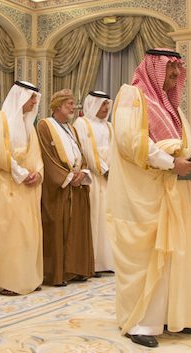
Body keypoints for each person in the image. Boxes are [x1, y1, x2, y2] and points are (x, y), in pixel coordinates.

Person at [107, 48, 191, 348]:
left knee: (174, 255)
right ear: (154, 68)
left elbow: (179, 145)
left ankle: (172, 316)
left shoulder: (172, 107)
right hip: (145, 196)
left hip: (174, 192)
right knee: (147, 257)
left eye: (178, 69)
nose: (175, 74)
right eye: (170, 68)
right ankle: (142, 323)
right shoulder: (132, 96)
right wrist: (171, 162)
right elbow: (132, 142)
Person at [0, 81, 43, 296]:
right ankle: (9, 281)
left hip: (27, 187)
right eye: (32, 98)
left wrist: (37, 173)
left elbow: (36, 154)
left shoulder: (29, 125)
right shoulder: (0, 119)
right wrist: (21, 173)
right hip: (6, 185)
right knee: (8, 234)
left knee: (28, 234)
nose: (34, 103)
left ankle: (28, 277)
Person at [37, 89, 95, 287]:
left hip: (76, 185)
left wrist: (83, 173)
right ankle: (57, 273)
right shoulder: (45, 126)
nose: (73, 107)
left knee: (77, 228)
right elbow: (48, 157)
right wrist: (69, 177)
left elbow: (82, 153)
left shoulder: (71, 128)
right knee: (58, 229)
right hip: (60, 188)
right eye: (69, 103)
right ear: (58, 106)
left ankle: (76, 269)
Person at [73, 91, 115, 273]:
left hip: (111, 179)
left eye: (107, 105)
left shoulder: (110, 127)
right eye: (102, 104)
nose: (106, 108)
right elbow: (87, 151)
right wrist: (104, 169)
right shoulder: (82, 124)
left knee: (110, 219)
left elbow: (116, 150)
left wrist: (112, 171)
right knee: (94, 218)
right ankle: (94, 262)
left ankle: (109, 261)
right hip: (93, 179)